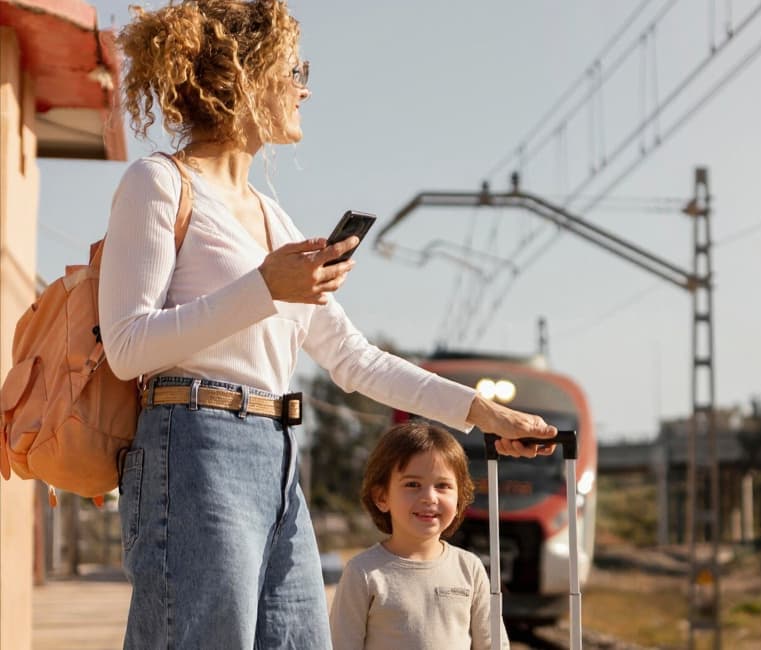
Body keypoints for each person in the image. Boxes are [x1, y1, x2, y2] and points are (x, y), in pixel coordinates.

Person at [100, 1, 554, 648]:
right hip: (193, 446)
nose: (305, 89)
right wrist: (264, 288)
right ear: (244, 75)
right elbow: (126, 346)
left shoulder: (272, 218)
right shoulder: (159, 184)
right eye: (294, 71)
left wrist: (483, 413)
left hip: (276, 452)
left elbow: (355, 359)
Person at [329, 421, 506, 650]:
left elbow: (493, 644)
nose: (430, 497)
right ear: (382, 497)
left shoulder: (470, 569)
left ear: (459, 499)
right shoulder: (363, 572)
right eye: (413, 484)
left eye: (442, 485)